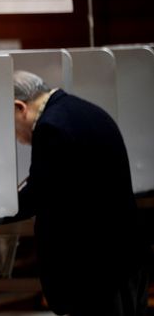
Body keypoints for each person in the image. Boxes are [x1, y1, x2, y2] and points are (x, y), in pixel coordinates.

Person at [12, 70, 149, 316]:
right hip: (126, 259)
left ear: (20, 107)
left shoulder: (50, 128)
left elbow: (38, 195)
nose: (16, 137)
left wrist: (1, 204)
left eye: (11, 126)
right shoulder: (86, 110)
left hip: (95, 271)